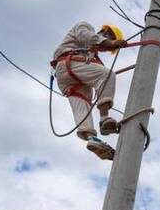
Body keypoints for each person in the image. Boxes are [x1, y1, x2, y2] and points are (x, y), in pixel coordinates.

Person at [52, 22, 127, 160]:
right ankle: (104, 119)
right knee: (107, 75)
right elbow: (85, 36)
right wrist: (110, 44)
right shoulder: (85, 26)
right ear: (106, 33)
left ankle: (92, 138)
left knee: (83, 102)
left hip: (68, 77)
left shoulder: (92, 57)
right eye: (108, 40)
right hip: (69, 63)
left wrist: (109, 45)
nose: (104, 49)